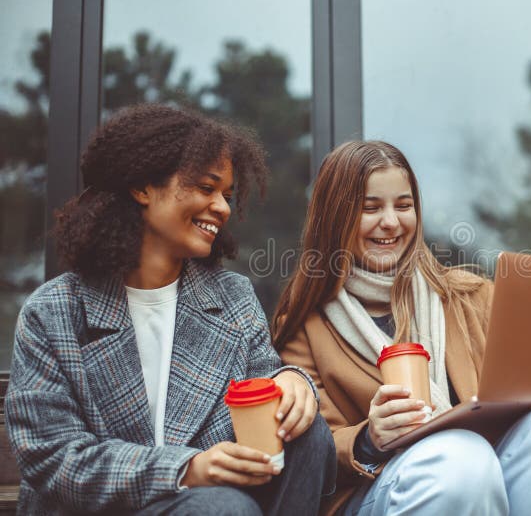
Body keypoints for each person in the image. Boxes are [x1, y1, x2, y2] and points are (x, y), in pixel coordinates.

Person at [4, 104, 335, 515]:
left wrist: (290, 381)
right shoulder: (53, 312)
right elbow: (53, 456)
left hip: (214, 507)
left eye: (227, 195)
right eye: (206, 187)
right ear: (143, 188)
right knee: (222, 507)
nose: (223, 208)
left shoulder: (231, 297)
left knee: (307, 435)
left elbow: (260, 379)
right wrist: (185, 469)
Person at [273, 140, 531, 516]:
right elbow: (313, 457)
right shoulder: (306, 328)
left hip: (491, 469)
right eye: (370, 208)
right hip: (383, 489)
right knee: (461, 458)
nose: (392, 222)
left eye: (404, 205)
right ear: (336, 218)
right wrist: (369, 439)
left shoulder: (472, 295)